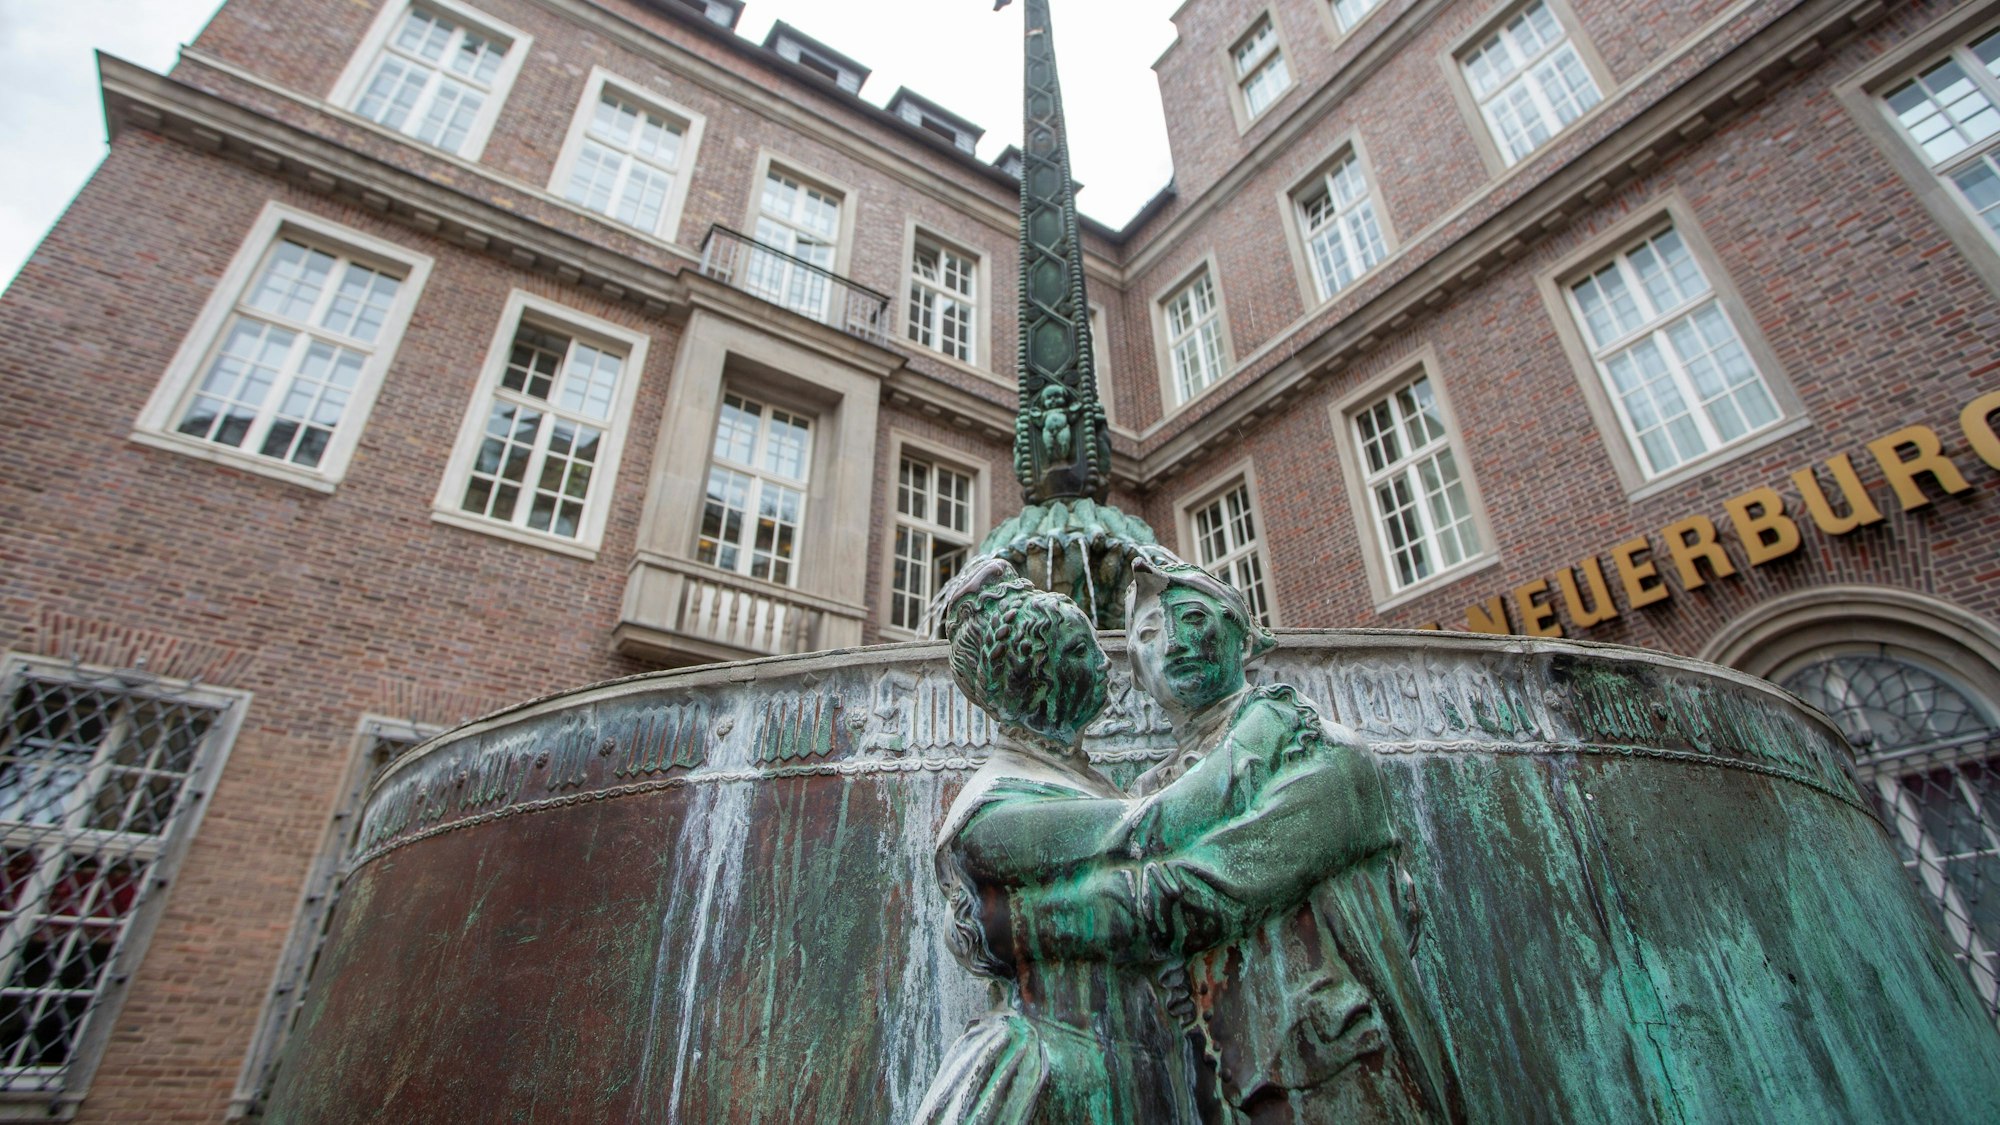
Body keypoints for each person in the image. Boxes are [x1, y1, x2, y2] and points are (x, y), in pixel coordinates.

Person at [994, 547, 1462, 1123]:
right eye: (1149, 633)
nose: (1174, 643)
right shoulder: (1145, 791)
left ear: (1243, 638)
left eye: (1193, 618)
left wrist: (1013, 924)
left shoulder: (1316, 751)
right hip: (1210, 1084)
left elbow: (1208, 888)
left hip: (1327, 1070)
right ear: (1136, 673)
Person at [913, 557, 1202, 1125]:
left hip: (1134, 1064)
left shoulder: (1076, 779)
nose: (1102, 663)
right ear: (1029, 680)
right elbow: (1144, 830)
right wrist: (1253, 749)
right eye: (1077, 651)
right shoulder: (995, 808)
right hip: (1056, 1071)